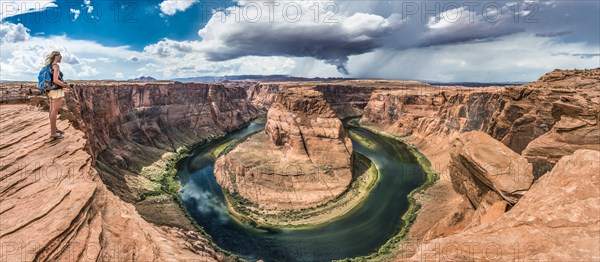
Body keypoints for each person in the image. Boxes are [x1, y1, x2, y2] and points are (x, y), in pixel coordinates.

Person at [44, 51, 70, 139]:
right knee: (55, 110)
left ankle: (54, 128)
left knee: (52, 109)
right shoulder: (56, 66)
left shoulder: (49, 66)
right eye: (60, 56)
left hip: (51, 90)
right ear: (56, 56)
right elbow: (55, 80)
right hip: (56, 90)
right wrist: (65, 85)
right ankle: (53, 133)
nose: (61, 58)